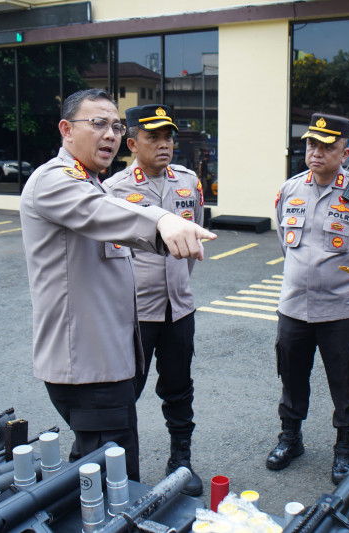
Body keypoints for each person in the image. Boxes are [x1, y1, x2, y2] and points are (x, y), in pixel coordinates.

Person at [19, 89, 215, 481]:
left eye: (115, 125)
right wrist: (162, 219)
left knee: (96, 466)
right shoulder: (56, 180)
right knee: (115, 482)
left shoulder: (91, 182)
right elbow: (102, 210)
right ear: (66, 130)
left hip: (110, 357)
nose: (109, 134)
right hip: (89, 366)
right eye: (97, 124)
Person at [267, 113, 349, 485]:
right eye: (311, 144)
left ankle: (345, 447)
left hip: (342, 311)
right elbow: (285, 244)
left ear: (345, 153)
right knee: (292, 376)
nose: (316, 152)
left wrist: (337, 280)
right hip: (294, 308)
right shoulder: (290, 190)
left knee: (346, 382)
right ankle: (290, 438)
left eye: (327, 146)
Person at [102, 105, 204, 496]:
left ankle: (181, 460)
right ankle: (121, 468)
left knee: (179, 388)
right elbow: (109, 251)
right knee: (126, 391)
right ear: (132, 144)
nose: (164, 145)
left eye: (168, 137)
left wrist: (177, 282)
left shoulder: (188, 181)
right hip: (136, 313)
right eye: (153, 137)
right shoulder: (115, 189)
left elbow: (192, 239)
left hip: (179, 308)